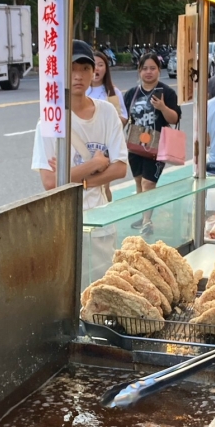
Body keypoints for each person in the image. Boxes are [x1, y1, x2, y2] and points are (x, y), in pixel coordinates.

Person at [31, 40, 128, 285]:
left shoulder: (107, 113)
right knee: (68, 290)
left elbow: (120, 168)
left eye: (85, 68)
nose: (79, 75)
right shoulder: (49, 123)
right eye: (72, 68)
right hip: (65, 223)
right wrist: (95, 164)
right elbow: (51, 182)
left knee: (102, 289)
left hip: (101, 221)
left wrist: (75, 177)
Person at [123, 52, 181, 236]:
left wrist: (162, 107)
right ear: (139, 71)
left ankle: (147, 222)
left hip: (158, 144)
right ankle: (144, 215)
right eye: (145, 68)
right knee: (139, 182)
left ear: (159, 70)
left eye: (153, 68)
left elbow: (175, 118)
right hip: (135, 143)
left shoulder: (167, 93)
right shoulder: (132, 94)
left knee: (149, 183)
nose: (149, 72)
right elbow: (125, 119)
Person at [87, 50, 128, 125]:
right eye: (93, 64)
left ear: (106, 69)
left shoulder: (113, 92)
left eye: (100, 65)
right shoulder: (81, 91)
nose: (96, 68)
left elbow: (123, 119)